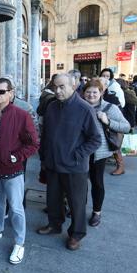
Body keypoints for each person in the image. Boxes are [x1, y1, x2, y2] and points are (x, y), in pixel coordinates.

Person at [0, 77, 39, 264]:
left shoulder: (22, 115)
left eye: (1, 91)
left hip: (12, 171)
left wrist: (15, 157)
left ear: (11, 93)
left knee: (16, 208)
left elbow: (33, 143)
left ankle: (19, 243)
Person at [37, 73, 101, 251]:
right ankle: (54, 225)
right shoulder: (51, 107)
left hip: (75, 167)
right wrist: (44, 156)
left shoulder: (84, 109)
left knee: (77, 203)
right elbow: (46, 135)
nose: (58, 90)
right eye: (55, 86)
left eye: (62, 86)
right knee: (53, 198)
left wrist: (76, 155)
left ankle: (76, 234)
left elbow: (95, 140)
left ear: (73, 86)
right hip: (53, 163)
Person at [82, 79, 130, 226]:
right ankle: (78, 208)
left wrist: (108, 121)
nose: (91, 95)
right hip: (80, 152)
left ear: (101, 92)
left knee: (97, 183)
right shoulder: (79, 106)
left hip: (98, 153)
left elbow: (126, 127)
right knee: (80, 184)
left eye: (94, 92)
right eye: (88, 92)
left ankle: (97, 212)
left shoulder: (110, 108)